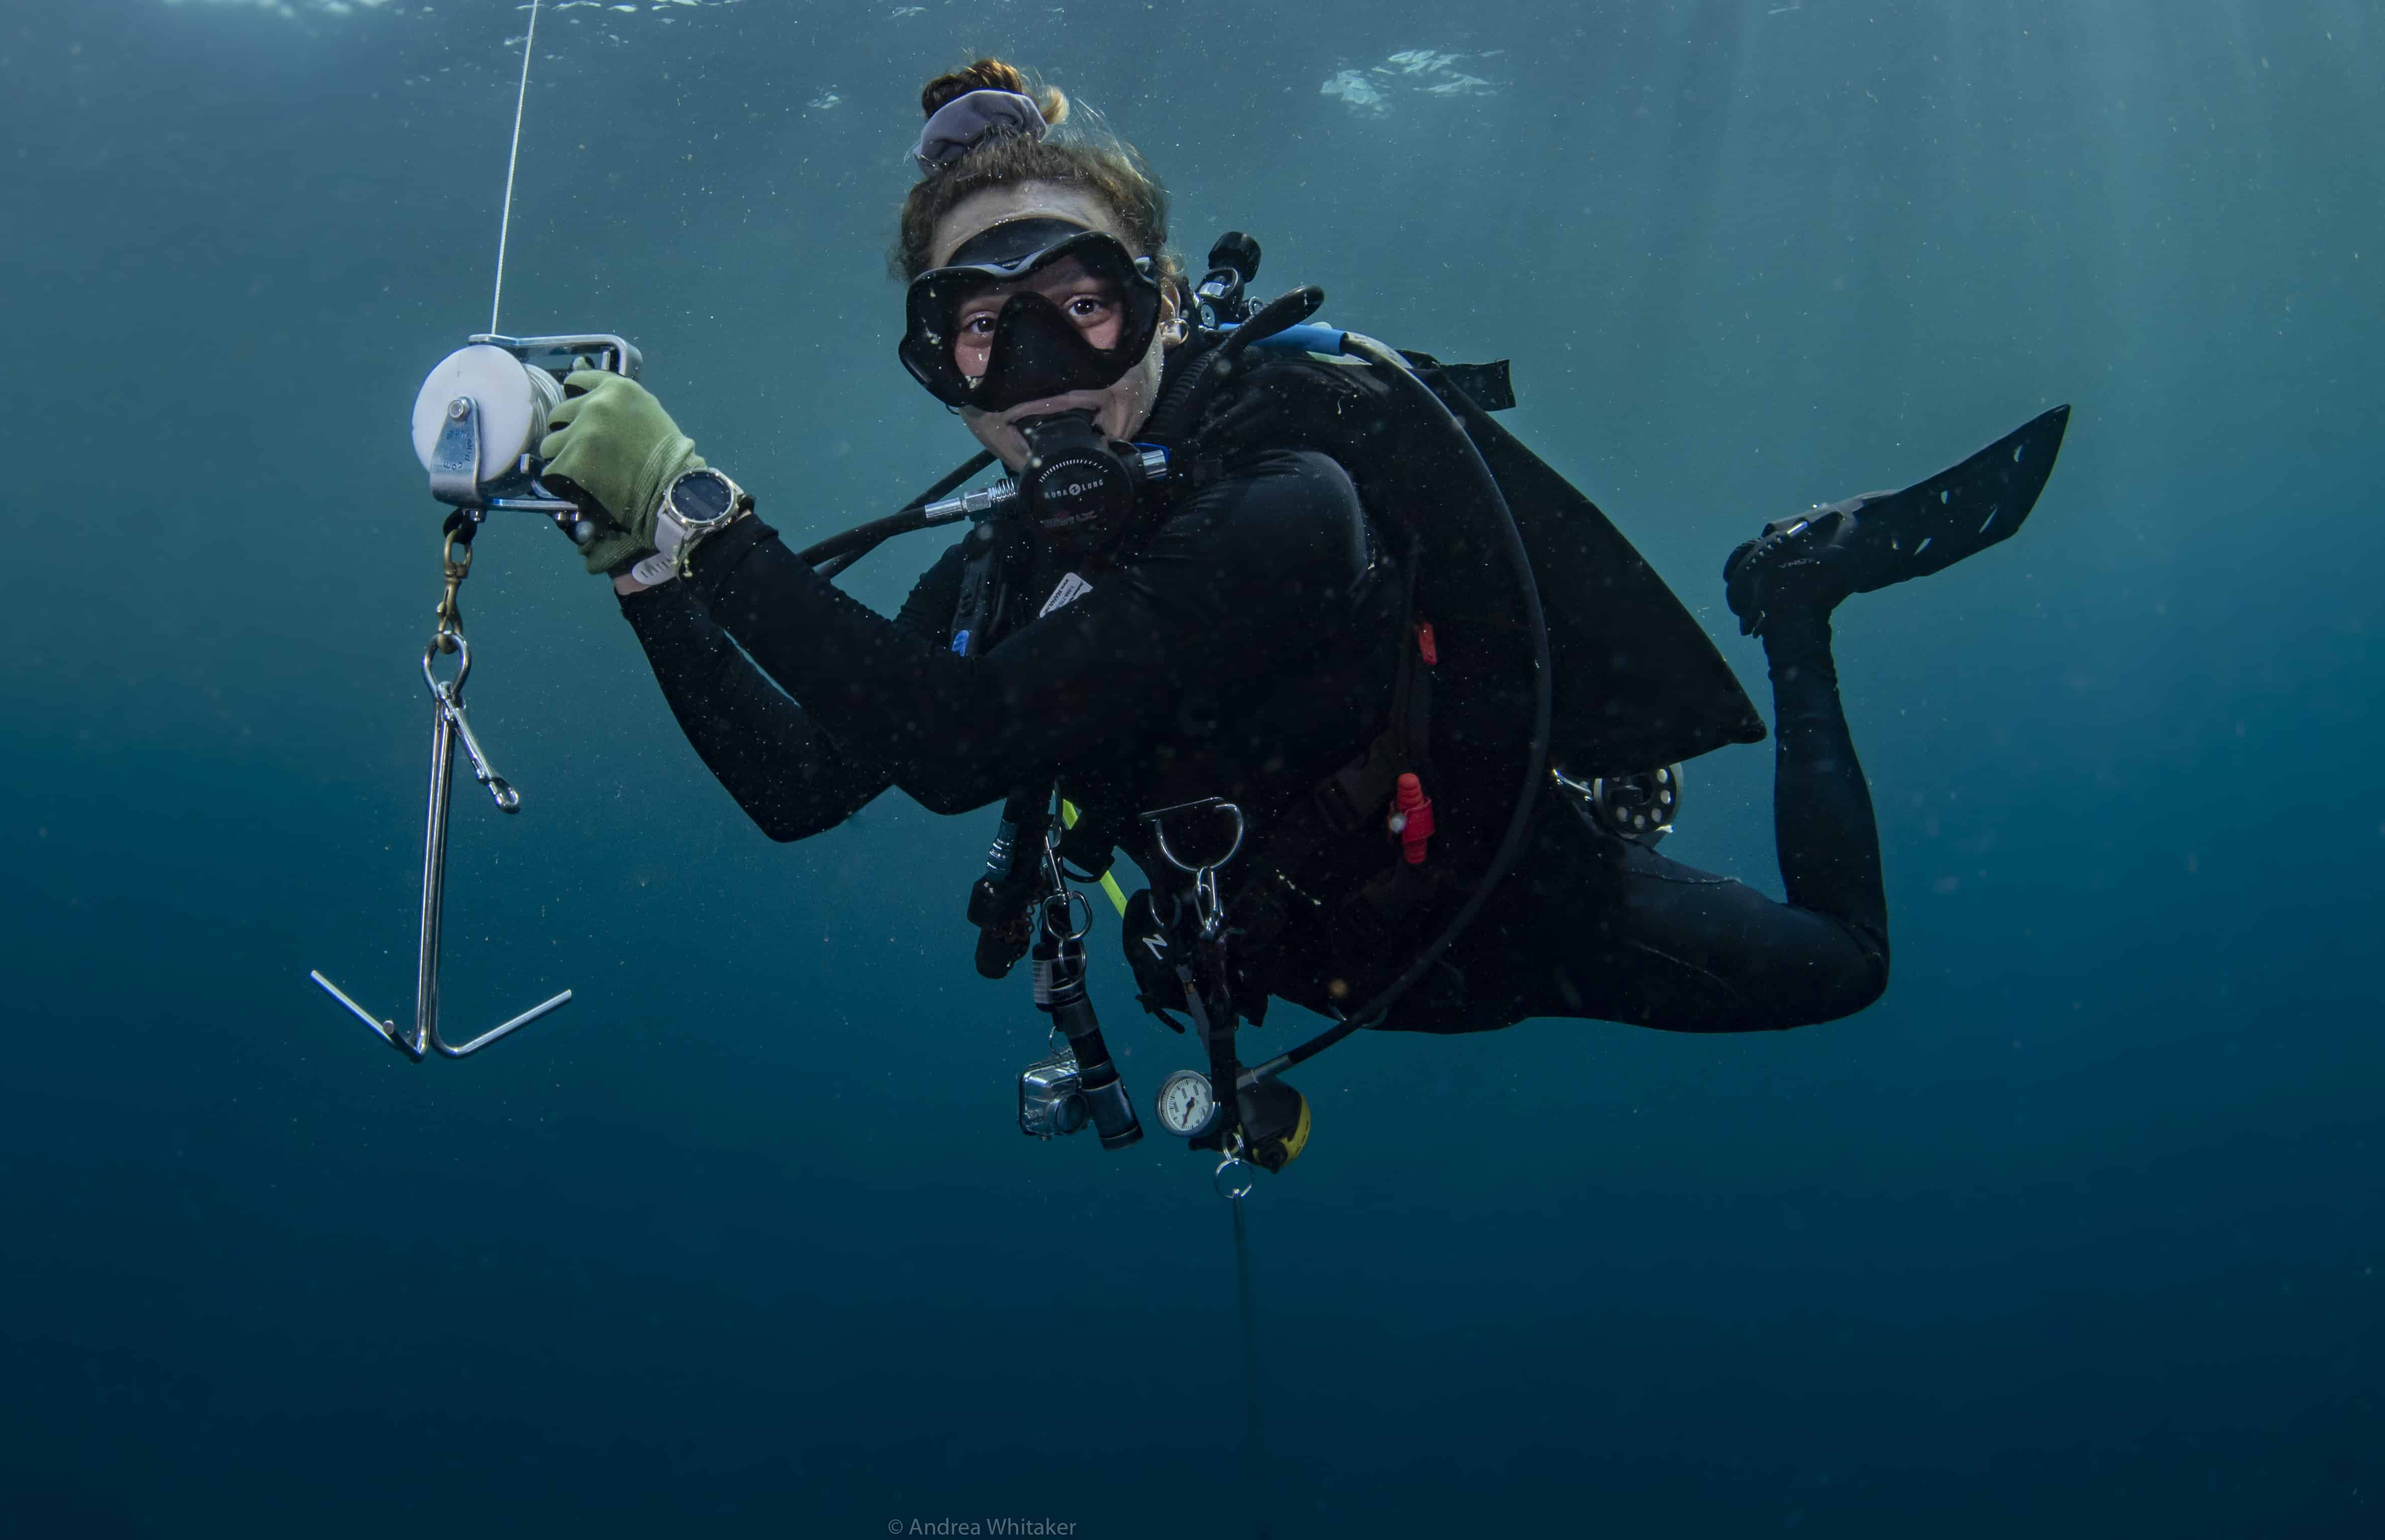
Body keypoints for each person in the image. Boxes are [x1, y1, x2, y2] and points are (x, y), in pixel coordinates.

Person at [535, 56, 2062, 1067]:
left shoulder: (1289, 499)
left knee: (1843, 968)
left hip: (1521, 918)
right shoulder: (1001, 572)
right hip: (1322, 973)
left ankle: (1795, 604)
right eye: (985, 328)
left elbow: (959, 745)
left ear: (1168, 310)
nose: (1045, 365)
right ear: (937, 369)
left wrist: (690, 510)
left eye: (1084, 302)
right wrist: (652, 584)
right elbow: (807, 786)